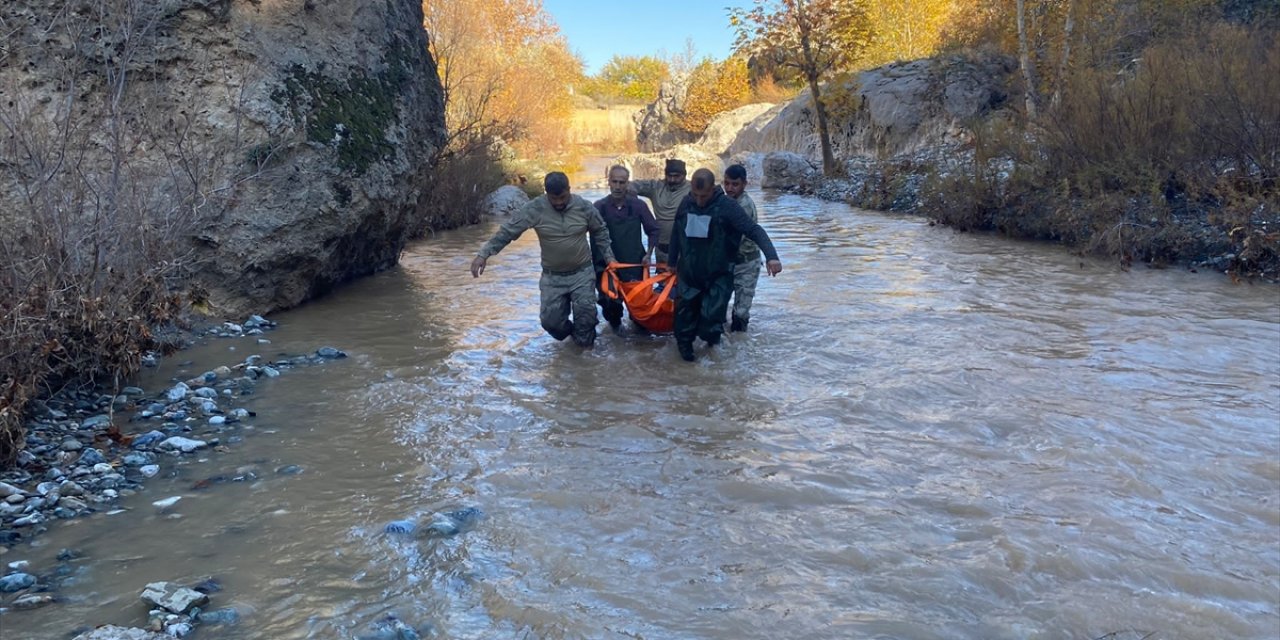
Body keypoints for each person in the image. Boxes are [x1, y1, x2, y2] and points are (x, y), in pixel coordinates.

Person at [470, 172, 616, 349]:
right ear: (547, 194)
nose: (559, 203)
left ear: (569, 190)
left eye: (563, 197)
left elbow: (600, 231)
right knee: (551, 323)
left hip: (582, 273)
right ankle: (573, 336)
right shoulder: (535, 209)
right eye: (554, 199)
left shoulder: (583, 207)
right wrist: (484, 254)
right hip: (552, 277)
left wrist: (609, 258)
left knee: (586, 319)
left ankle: (583, 363)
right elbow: (508, 231)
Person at [668, 168, 782, 362]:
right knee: (682, 326)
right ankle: (687, 369)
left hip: (718, 276)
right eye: (695, 195)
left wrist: (772, 256)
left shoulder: (727, 206)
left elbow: (753, 230)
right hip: (690, 274)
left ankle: (715, 362)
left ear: (713, 189)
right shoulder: (687, 202)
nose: (699, 201)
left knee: (710, 323)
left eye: (703, 196)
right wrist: (671, 261)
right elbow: (676, 232)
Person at [593, 165, 660, 331]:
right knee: (611, 311)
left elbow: (654, 230)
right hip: (606, 268)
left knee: (640, 314)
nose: (617, 186)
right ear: (608, 182)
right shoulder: (598, 207)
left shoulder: (638, 206)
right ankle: (617, 343)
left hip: (634, 266)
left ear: (627, 184)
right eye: (614, 181)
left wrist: (649, 254)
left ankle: (640, 348)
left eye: (621, 182)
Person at [722, 164, 761, 333]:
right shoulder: (727, 202)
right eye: (727, 183)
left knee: (741, 313)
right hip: (729, 263)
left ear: (744, 184)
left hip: (746, 264)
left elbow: (730, 239)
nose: (729, 188)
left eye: (734, 184)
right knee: (720, 307)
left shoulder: (743, 205)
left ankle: (738, 347)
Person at [629, 158, 691, 265]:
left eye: (676, 176)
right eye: (669, 176)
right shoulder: (656, 187)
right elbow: (630, 185)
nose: (672, 180)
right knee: (663, 280)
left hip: (684, 248)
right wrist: (632, 194)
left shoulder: (692, 189)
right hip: (661, 248)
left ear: (684, 175)